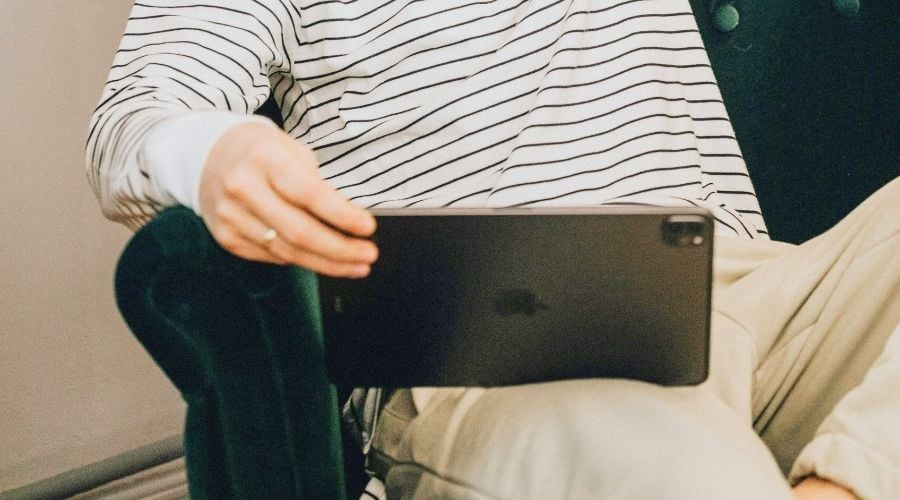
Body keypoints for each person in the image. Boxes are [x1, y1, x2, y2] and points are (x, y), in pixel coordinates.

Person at [87, 1, 898, 498]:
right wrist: (215, 154)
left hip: (752, 288)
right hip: (497, 341)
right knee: (641, 455)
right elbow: (135, 115)